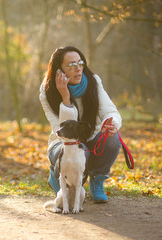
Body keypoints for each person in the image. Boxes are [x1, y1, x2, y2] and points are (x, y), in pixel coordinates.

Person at [39, 46, 122, 203]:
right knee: (66, 198)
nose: (78, 69)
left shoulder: (93, 81)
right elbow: (61, 129)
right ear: (59, 70)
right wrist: (65, 98)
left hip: (91, 138)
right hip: (62, 142)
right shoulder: (47, 91)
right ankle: (56, 174)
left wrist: (111, 123)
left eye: (80, 63)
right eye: (71, 65)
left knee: (112, 138)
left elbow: (111, 112)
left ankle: (97, 181)